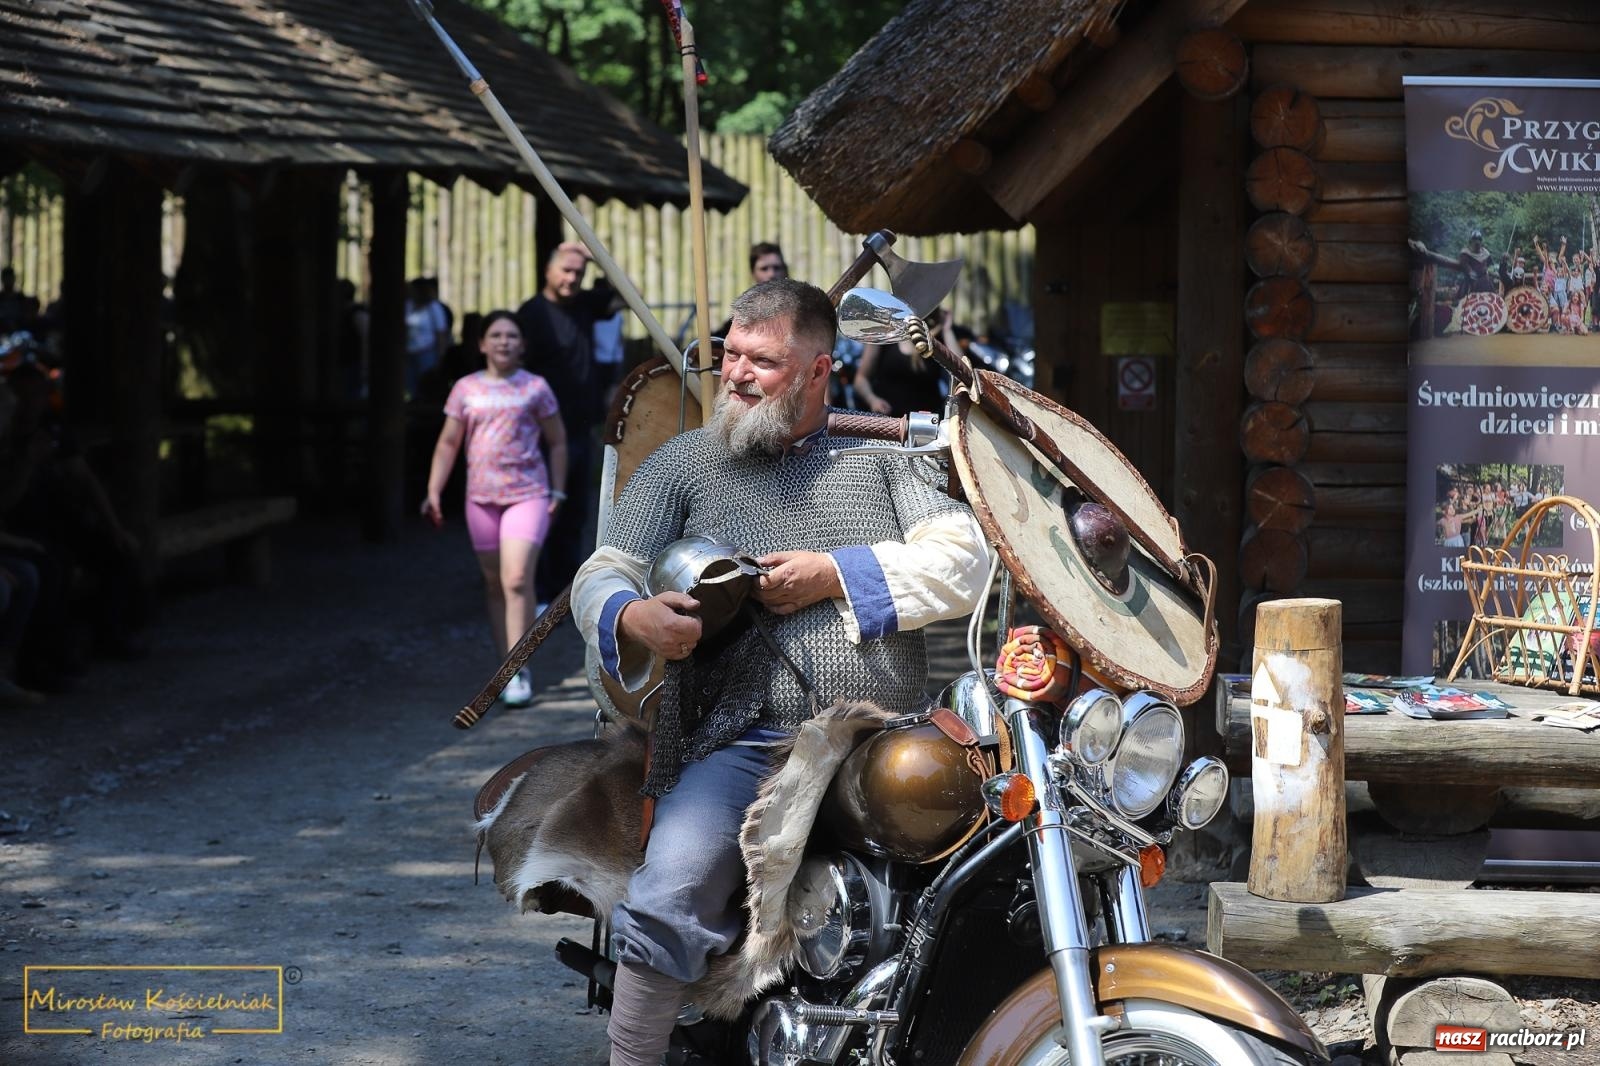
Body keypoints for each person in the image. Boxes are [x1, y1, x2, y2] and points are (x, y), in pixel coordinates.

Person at [571, 278, 988, 1066]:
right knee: (671, 889)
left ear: (818, 370)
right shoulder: (687, 463)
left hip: (880, 734)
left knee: (984, 866)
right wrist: (633, 615)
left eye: (761, 360)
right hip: (743, 736)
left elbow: (964, 561)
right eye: (731, 353)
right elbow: (605, 568)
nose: (735, 373)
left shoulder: (881, 459)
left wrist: (835, 573)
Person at [422, 312, 567, 708]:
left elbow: (557, 440)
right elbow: (448, 443)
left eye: (512, 335)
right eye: (496, 335)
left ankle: (518, 670)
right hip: (480, 499)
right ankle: (506, 661)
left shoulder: (535, 387)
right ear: (482, 344)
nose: (504, 341)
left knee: (516, 579)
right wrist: (434, 490)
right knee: (494, 584)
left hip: (528, 495)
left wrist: (557, 489)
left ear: (522, 345)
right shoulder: (465, 389)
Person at [515, 242, 622, 605]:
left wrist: (597, 256)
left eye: (578, 272)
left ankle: (567, 594)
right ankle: (539, 593)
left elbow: (628, 295)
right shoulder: (531, 315)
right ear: (548, 271)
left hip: (580, 427)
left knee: (576, 513)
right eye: (565, 270)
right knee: (546, 512)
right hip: (543, 434)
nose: (572, 278)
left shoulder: (584, 305)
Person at [852, 307, 954, 416]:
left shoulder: (936, 339)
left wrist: (947, 330)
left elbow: (961, 370)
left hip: (927, 421)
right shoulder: (884, 334)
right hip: (888, 419)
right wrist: (873, 400)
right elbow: (860, 379)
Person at [713, 242, 787, 338]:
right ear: (753, 273)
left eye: (777, 268)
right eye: (764, 269)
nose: (771, 274)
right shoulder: (748, 308)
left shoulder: (797, 303)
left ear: (784, 270)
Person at [404, 277, 450, 398]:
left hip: (427, 352)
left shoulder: (434, 307)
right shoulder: (408, 306)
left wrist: (441, 356)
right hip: (409, 353)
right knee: (411, 384)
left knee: (426, 384)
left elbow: (441, 333)